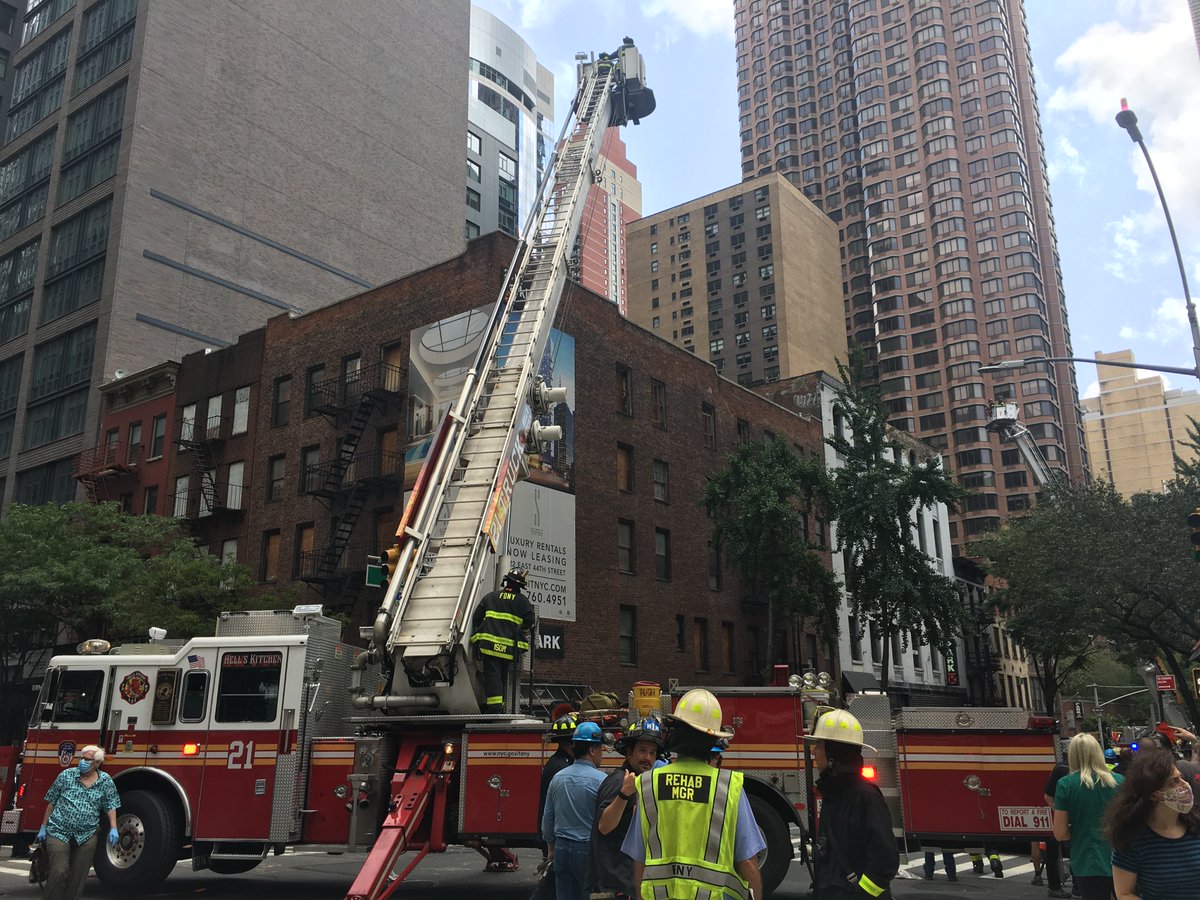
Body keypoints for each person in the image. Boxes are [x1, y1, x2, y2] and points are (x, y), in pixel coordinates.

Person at [621, 687, 764, 899]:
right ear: (713, 740)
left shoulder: (649, 784)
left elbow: (640, 861)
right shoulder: (728, 787)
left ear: (676, 734)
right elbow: (747, 863)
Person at [807, 708, 899, 898]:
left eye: (819, 744)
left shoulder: (866, 796)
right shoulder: (834, 792)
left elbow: (885, 862)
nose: (813, 750)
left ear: (834, 753)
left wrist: (862, 894)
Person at [1107, 747, 1200, 899]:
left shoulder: (1196, 828)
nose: (1185, 785)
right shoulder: (1131, 840)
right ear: (1154, 795)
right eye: (1174, 782)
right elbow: (1124, 893)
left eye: (1181, 777)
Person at [588, 717, 663, 899]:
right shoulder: (620, 781)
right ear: (629, 753)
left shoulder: (638, 781)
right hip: (614, 885)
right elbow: (604, 826)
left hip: (625, 883)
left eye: (653, 753)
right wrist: (624, 794)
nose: (648, 758)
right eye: (642, 751)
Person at [37, 745, 120, 900]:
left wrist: (114, 828)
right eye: (81, 758)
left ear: (96, 763)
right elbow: (51, 802)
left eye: (87, 759)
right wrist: (43, 826)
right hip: (58, 831)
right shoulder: (66, 775)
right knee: (60, 871)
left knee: (78, 876)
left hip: (87, 834)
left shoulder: (105, 781)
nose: (82, 762)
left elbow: (111, 805)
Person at [542, 721, 608, 900]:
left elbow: (548, 819)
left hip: (562, 849)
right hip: (587, 850)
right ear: (593, 750)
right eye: (601, 748)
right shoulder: (601, 780)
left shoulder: (558, 778)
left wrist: (551, 849)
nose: (601, 753)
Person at [1053, 733, 1123, 900]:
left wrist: (1077, 830)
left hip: (1087, 860)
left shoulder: (1065, 785)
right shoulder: (1120, 781)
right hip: (1121, 858)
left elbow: (1060, 833)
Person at [470, 568, 536, 712]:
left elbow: (476, 618)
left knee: (492, 675)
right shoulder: (523, 602)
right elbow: (531, 621)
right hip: (509, 650)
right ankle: (500, 705)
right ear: (521, 586)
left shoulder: (490, 597)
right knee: (502, 675)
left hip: (490, 646)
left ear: (506, 582)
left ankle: (494, 706)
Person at [538, 713, 577, 855]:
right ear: (573, 743)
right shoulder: (564, 768)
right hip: (559, 839)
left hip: (553, 837)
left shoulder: (555, 762)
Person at [1043, 749, 1072, 898]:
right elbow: (1048, 795)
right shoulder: (1064, 769)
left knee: (1053, 851)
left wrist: (1059, 813)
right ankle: (1057, 886)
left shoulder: (1060, 768)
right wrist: (1061, 814)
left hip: (1065, 818)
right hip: (1070, 819)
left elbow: (1048, 795)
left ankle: (1055, 886)